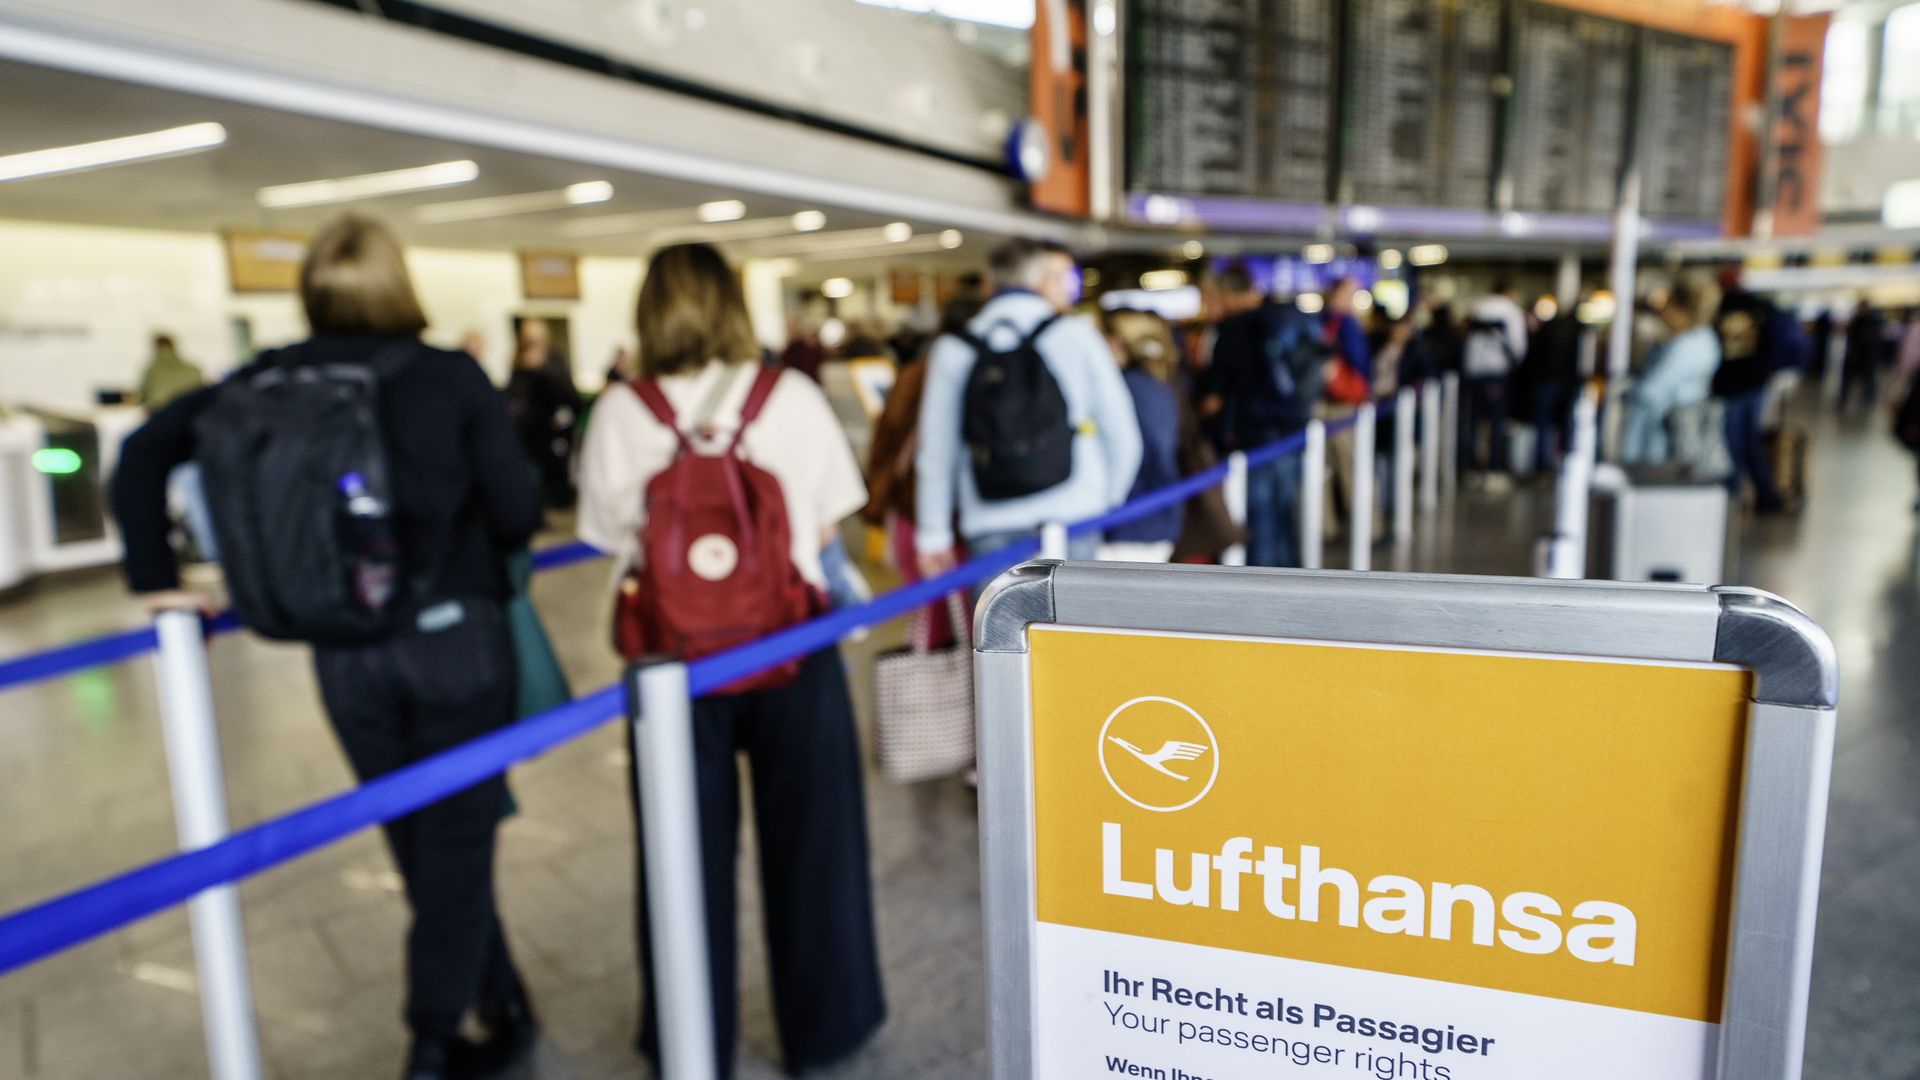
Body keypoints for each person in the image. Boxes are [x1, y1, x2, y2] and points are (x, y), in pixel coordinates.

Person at [109, 216, 543, 1080]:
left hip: (342, 653)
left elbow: (142, 453)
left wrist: (157, 576)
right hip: (453, 645)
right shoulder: (446, 377)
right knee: (456, 839)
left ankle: (502, 998)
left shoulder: (267, 379)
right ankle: (430, 1040)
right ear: (401, 284)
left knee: (415, 836)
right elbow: (517, 514)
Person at [575, 242, 884, 1078]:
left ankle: (686, 1032)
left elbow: (609, 537)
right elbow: (824, 527)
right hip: (792, 646)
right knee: (815, 846)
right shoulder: (790, 395)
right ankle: (826, 1028)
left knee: (679, 853)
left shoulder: (618, 411)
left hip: (671, 664)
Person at [914, 238, 1141, 571]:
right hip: (1074, 512)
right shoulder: (1076, 334)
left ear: (988, 282)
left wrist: (933, 534)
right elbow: (1121, 429)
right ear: (1040, 279)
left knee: (999, 623)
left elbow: (936, 449)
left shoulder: (953, 349)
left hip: (990, 519)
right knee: (1075, 623)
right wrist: (1108, 500)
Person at [862, 292, 985, 648]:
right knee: (973, 622)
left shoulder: (912, 374)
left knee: (930, 616)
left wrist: (879, 502)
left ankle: (940, 697)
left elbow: (885, 441)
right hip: (966, 515)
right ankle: (968, 698)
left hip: (911, 512)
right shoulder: (980, 372)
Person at [1200, 267, 1321, 567]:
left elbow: (1214, 397)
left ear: (1226, 293)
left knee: (1260, 525)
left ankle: (1264, 604)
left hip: (1254, 441)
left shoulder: (1231, 330)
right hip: (1292, 433)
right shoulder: (1285, 318)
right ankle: (1290, 583)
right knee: (1284, 518)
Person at [1099, 308, 1185, 562]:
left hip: (1134, 521)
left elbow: (1138, 453)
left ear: (1116, 341)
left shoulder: (1128, 388)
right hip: (1153, 515)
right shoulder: (1156, 384)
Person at [1621, 275, 1722, 466]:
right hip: (1668, 435)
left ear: (1681, 309)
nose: (1663, 312)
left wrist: (1624, 387)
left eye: (1667, 305)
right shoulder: (1700, 339)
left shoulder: (1688, 346)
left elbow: (1651, 390)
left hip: (1663, 440)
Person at [1714, 287, 1790, 514]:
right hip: (1756, 384)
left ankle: (1733, 498)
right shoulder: (1760, 309)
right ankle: (1767, 496)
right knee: (1751, 442)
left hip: (1732, 386)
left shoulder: (1723, 309)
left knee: (1733, 443)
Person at [504, 319, 583, 509]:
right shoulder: (518, 362)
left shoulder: (553, 360)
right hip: (529, 431)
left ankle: (559, 501)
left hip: (553, 430)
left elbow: (568, 395)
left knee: (556, 472)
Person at [1459, 281, 1528, 482]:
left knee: (1472, 421)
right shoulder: (1510, 311)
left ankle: (1470, 469)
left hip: (1474, 372)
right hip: (1496, 372)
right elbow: (1518, 345)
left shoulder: (1478, 307)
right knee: (1496, 422)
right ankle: (1494, 469)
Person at [1520, 302, 1584, 475]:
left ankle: (1541, 466)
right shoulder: (1579, 331)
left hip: (1544, 381)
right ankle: (1565, 463)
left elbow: (1531, 354)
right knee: (1566, 424)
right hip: (1565, 381)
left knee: (1542, 424)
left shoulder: (1548, 328)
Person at [1843, 300, 1889, 415]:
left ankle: (1865, 400)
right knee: (1855, 380)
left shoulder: (1872, 321)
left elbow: (1876, 338)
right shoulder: (1859, 320)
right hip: (1858, 355)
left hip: (1867, 356)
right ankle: (1848, 399)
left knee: (1867, 380)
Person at [137, 333, 205, 408]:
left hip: (162, 414)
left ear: (156, 348)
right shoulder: (194, 369)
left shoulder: (153, 370)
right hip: (190, 414)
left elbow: (142, 397)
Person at [778, 317, 828, 382]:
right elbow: (784, 362)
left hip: (814, 380)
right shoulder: (794, 347)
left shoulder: (819, 348)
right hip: (798, 379)